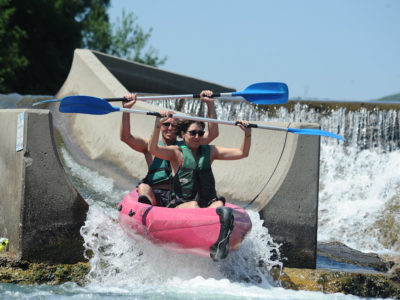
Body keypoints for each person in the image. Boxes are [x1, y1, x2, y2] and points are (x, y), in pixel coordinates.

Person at [120, 91, 219, 206]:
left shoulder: (187, 145)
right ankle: (146, 209)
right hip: (154, 193)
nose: (170, 128)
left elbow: (212, 134)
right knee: (143, 187)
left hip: (177, 195)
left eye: (174, 125)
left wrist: (210, 105)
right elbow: (125, 137)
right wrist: (127, 109)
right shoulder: (149, 145)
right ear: (160, 125)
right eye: (166, 124)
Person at [148, 117, 251, 209]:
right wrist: (158, 124)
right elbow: (153, 149)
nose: (197, 137)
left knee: (218, 204)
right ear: (183, 134)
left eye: (200, 133)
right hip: (182, 205)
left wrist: (247, 134)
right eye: (193, 133)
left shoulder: (210, 151)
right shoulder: (176, 152)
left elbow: (242, 153)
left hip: (205, 203)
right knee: (193, 206)